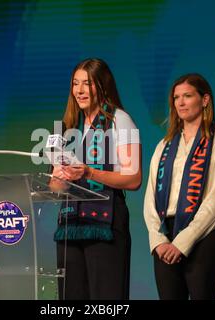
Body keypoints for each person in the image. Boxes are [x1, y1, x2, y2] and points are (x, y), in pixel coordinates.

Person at [50, 58, 141, 300]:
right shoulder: (66, 127)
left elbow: (133, 179)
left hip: (106, 225)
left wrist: (89, 172)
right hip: (70, 226)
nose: (79, 90)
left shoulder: (119, 120)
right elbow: (55, 186)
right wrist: (58, 178)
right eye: (75, 83)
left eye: (87, 83)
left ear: (102, 86)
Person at [143, 73, 215, 300]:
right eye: (176, 98)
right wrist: (158, 240)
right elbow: (150, 199)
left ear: (204, 100)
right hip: (166, 236)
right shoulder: (163, 146)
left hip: (205, 236)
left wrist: (183, 243)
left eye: (187, 96)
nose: (180, 103)